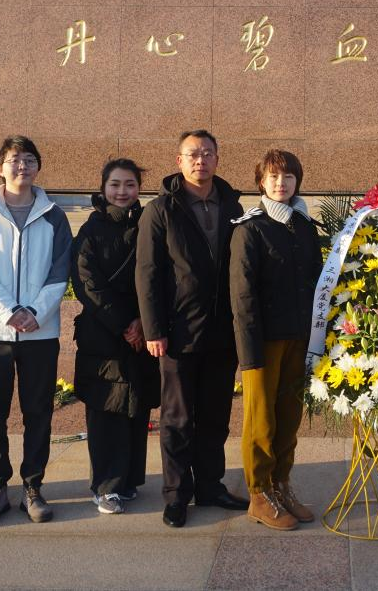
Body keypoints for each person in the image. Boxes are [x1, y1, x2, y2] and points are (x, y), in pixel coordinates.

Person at [136, 129, 246, 528]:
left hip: (223, 331)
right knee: (178, 418)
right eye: (193, 154)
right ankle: (176, 494)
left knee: (215, 416)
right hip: (178, 331)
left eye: (208, 153)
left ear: (217, 158)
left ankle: (211, 485)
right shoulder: (160, 209)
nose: (201, 160)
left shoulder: (233, 205)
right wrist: (153, 329)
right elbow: (147, 273)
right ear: (179, 161)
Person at [0, 135, 73, 526]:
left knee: (38, 411)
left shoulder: (54, 215)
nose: (22, 166)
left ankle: (32, 487)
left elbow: (60, 270)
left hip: (39, 332)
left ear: (38, 167)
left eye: (29, 159)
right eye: (14, 159)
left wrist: (35, 312)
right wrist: (9, 311)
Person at [230, 149, 322, 530]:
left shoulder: (304, 226)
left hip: (299, 338)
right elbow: (243, 297)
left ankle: (281, 484)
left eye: (288, 177)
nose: (281, 183)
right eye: (273, 177)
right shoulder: (250, 229)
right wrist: (249, 352)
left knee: (289, 416)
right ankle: (259, 493)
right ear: (261, 182)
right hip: (263, 343)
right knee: (261, 420)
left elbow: (317, 283)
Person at [71, 158, 161, 516]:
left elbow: (159, 275)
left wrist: (143, 321)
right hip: (103, 336)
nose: (122, 191)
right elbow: (86, 283)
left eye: (129, 184)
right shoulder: (89, 230)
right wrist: (126, 323)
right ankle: (105, 487)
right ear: (103, 187)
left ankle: (128, 481)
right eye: (115, 184)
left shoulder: (149, 225)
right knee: (106, 410)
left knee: (136, 407)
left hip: (142, 333)